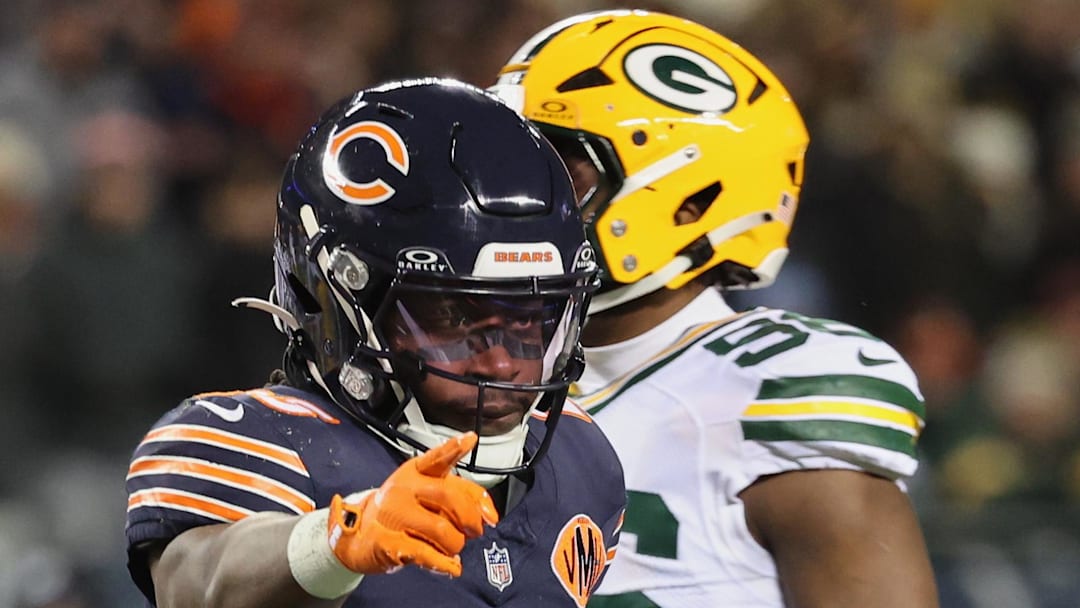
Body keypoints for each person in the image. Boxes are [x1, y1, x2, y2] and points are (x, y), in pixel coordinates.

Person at [492, 10, 940, 607]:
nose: (506, 202)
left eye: (557, 175)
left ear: (689, 202)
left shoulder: (767, 391)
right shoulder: (443, 358)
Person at [124, 78, 625, 608]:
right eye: (454, 319)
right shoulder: (264, 442)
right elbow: (195, 581)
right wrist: (332, 544)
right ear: (332, 301)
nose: (501, 361)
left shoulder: (581, 460)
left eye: (531, 319)